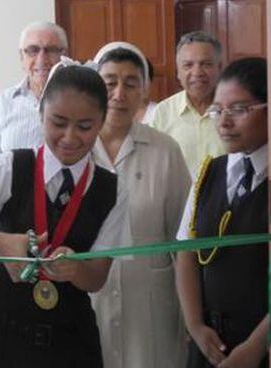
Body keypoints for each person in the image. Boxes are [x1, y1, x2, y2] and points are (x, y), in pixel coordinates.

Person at [0, 64, 129, 368]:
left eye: (84, 126)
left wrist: (76, 269)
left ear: (102, 122)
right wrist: (1, 244)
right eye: (58, 122)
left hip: (72, 344)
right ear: (41, 114)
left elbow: (97, 278)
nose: (69, 137)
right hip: (1, 338)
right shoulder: (10, 167)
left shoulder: (111, 189)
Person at [89, 43, 192, 368]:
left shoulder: (165, 150)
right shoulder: (75, 149)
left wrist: (192, 315)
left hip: (151, 302)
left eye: (131, 83)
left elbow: (184, 238)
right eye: (110, 83)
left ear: (144, 91)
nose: (119, 94)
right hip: (88, 298)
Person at [174, 57, 271, 368]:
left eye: (239, 110)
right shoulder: (208, 174)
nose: (224, 122)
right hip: (209, 342)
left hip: (267, 344)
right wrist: (195, 326)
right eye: (217, 111)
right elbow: (186, 253)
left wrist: (256, 347)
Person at [0, 21, 68, 167]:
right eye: (32, 50)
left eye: (51, 50)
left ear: (64, 55)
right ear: (21, 58)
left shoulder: (82, 100)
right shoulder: (1, 104)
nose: (42, 59)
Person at [149, 31, 225, 176]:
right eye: (188, 65)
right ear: (178, 72)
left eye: (206, 64)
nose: (197, 72)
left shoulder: (234, 111)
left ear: (219, 68)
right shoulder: (163, 112)